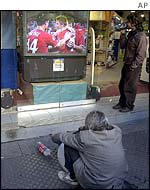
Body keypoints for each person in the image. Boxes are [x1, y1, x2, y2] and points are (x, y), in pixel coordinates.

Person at [51, 111, 128, 189]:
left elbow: (63, 137)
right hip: (119, 180)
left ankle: (72, 178)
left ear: (88, 126)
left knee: (69, 146)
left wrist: (53, 137)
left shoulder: (85, 138)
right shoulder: (117, 131)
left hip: (97, 183)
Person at [113, 12, 147, 112]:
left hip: (134, 65)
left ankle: (128, 105)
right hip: (127, 62)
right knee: (122, 84)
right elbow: (123, 46)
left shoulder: (141, 36)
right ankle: (122, 102)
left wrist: (134, 65)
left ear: (134, 23)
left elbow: (141, 54)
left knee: (130, 86)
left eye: (129, 21)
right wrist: (123, 34)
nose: (127, 23)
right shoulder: (131, 34)